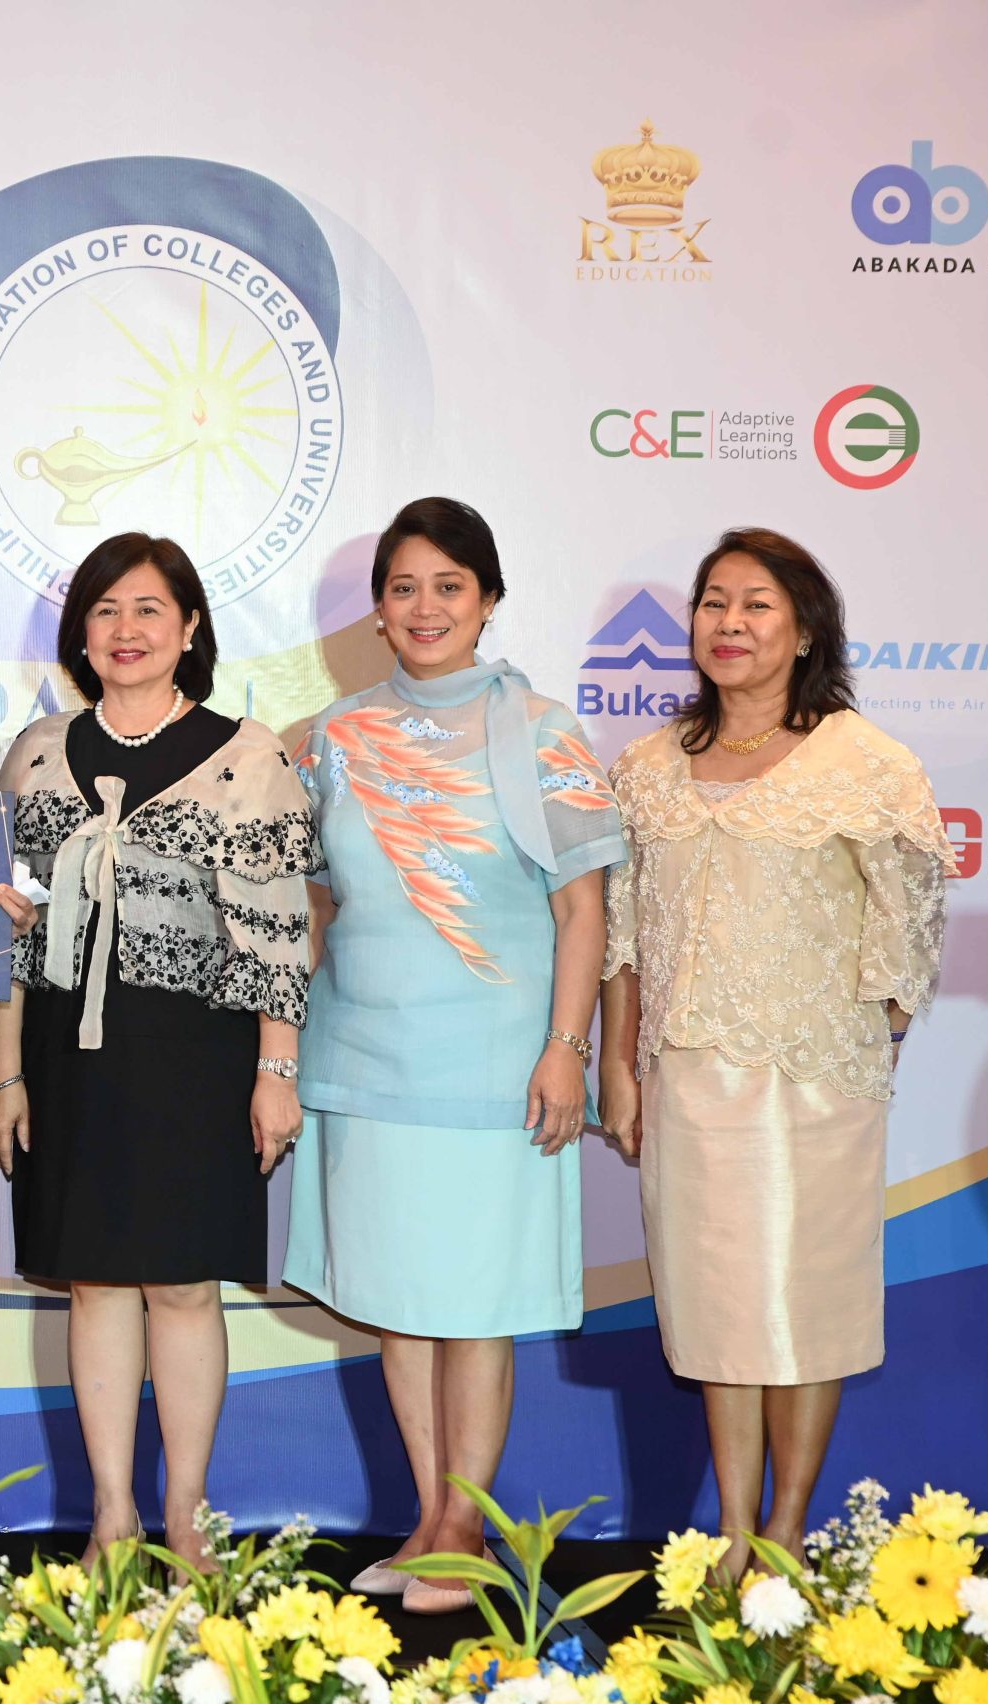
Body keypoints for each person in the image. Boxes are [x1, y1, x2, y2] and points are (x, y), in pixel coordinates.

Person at [281, 497, 625, 1612]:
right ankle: (430, 1517)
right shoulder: (330, 738)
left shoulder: (543, 731)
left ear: (487, 601)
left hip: (495, 1064)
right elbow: (313, 903)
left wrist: (566, 1048)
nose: (425, 607)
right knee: (399, 1300)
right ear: (378, 611)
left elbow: (583, 909)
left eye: (448, 586)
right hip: (366, 1058)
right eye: (403, 588)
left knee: (473, 1304)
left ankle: (465, 1527)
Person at [598, 527, 952, 1571]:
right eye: (714, 602)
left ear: (803, 631)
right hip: (684, 1078)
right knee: (716, 1308)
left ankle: (787, 1531)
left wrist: (876, 1038)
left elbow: (908, 922)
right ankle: (733, 1530)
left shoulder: (866, 762)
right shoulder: (647, 767)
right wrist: (617, 1063)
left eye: (756, 604)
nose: (730, 623)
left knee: (805, 1304)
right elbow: (622, 933)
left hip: (814, 1081)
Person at [0, 532, 316, 1570]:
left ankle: (186, 1514)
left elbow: (279, 928)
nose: (125, 630)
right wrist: (4, 1074)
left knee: (182, 1286)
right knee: (93, 1283)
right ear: (80, 632)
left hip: (196, 1056)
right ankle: (112, 1516)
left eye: (148, 610)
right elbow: (6, 934)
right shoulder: (36, 752)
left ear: (190, 627)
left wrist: (276, 1072)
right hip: (67, 1058)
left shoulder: (245, 753)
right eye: (105, 610)